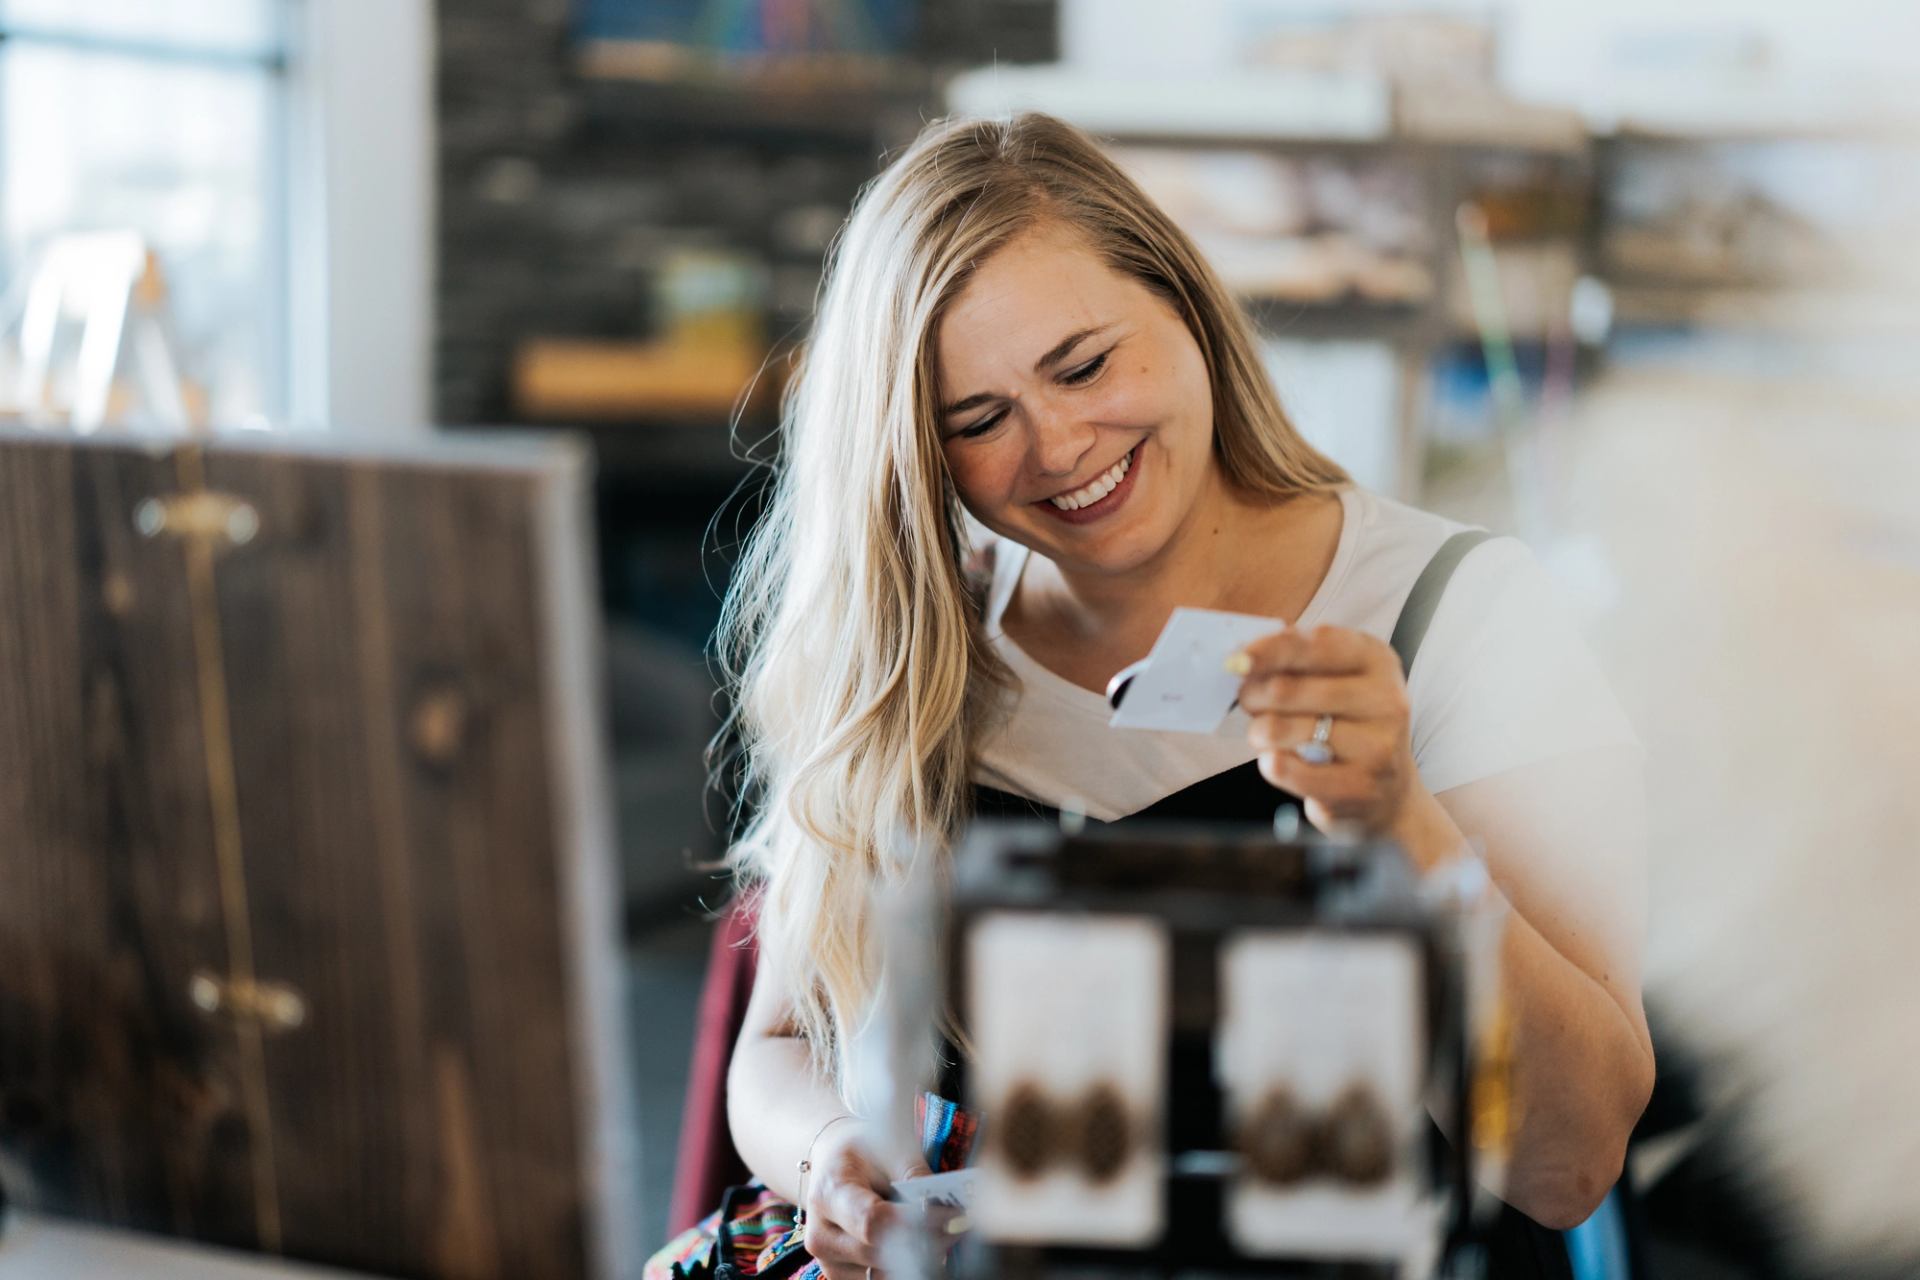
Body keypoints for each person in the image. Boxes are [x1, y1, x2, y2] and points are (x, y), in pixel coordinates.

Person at [653, 112, 1652, 1280]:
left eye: (1084, 364)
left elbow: (1570, 1159)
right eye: (978, 420)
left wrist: (1399, 826)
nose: (1063, 444)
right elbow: (775, 1042)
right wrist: (828, 1155)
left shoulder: (1462, 613)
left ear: (1185, 301)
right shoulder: (921, 643)